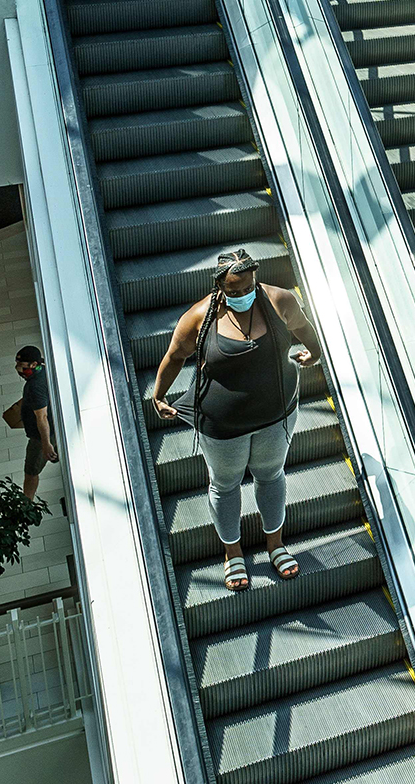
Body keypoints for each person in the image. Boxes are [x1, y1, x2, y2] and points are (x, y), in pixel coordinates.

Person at [146, 250, 321, 592]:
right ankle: (233, 553)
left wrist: (313, 353)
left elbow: (303, 327)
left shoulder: (279, 300)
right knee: (225, 486)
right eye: (234, 291)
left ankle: (275, 544)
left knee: (271, 476)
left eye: (247, 287)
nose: (242, 295)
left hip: (276, 415)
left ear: (255, 278)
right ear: (220, 286)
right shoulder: (199, 317)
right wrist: (158, 395)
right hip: (223, 427)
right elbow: (174, 356)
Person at [15, 346, 59, 500]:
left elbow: (41, 417)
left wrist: (45, 443)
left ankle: (27, 503)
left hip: (41, 436)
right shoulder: (46, 370)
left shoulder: (35, 386)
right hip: (56, 426)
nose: (18, 369)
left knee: (31, 471)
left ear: (34, 364)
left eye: (22, 366)